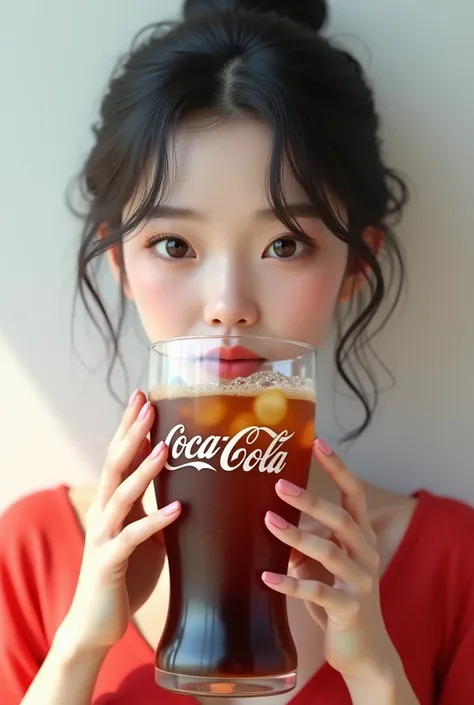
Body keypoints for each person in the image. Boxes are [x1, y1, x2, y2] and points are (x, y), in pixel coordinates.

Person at [1, 0, 473, 703]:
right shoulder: (32, 551)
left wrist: (375, 672)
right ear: (120, 264)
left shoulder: (450, 561)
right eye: (174, 244)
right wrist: (79, 648)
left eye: (285, 243)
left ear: (354, 267)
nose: (229, 301)